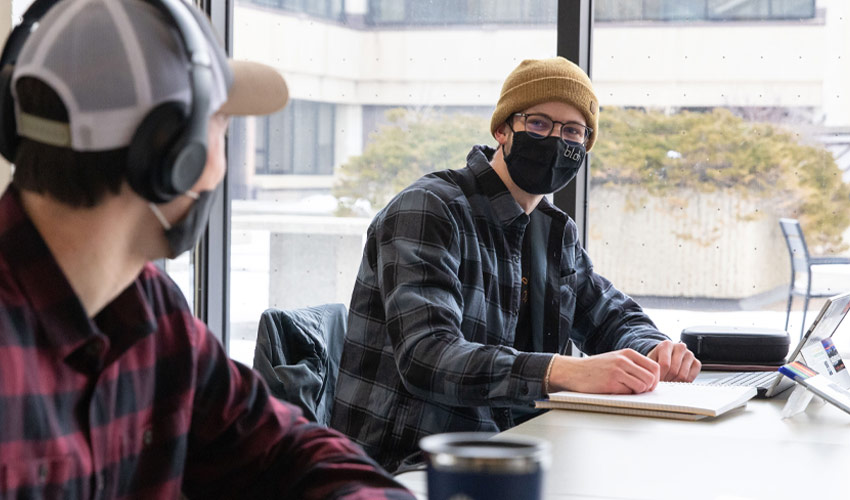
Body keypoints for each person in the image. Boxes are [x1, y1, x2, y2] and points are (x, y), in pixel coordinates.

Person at [0, 0, 413, 498]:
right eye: (220, 126)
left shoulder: (153, 311)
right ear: (172, 152)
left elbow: (283, 449)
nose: (221, 156)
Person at [331, 56, 702, 472]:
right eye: (539, 124)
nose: (556, 141)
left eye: (573, 132)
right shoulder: (430, 209)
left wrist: (653, 350)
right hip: (410, 463)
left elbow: (610, 316)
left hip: (514, 448)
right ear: (502, 129)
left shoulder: (553, 232)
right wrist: (562, 372)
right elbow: (427, 356)